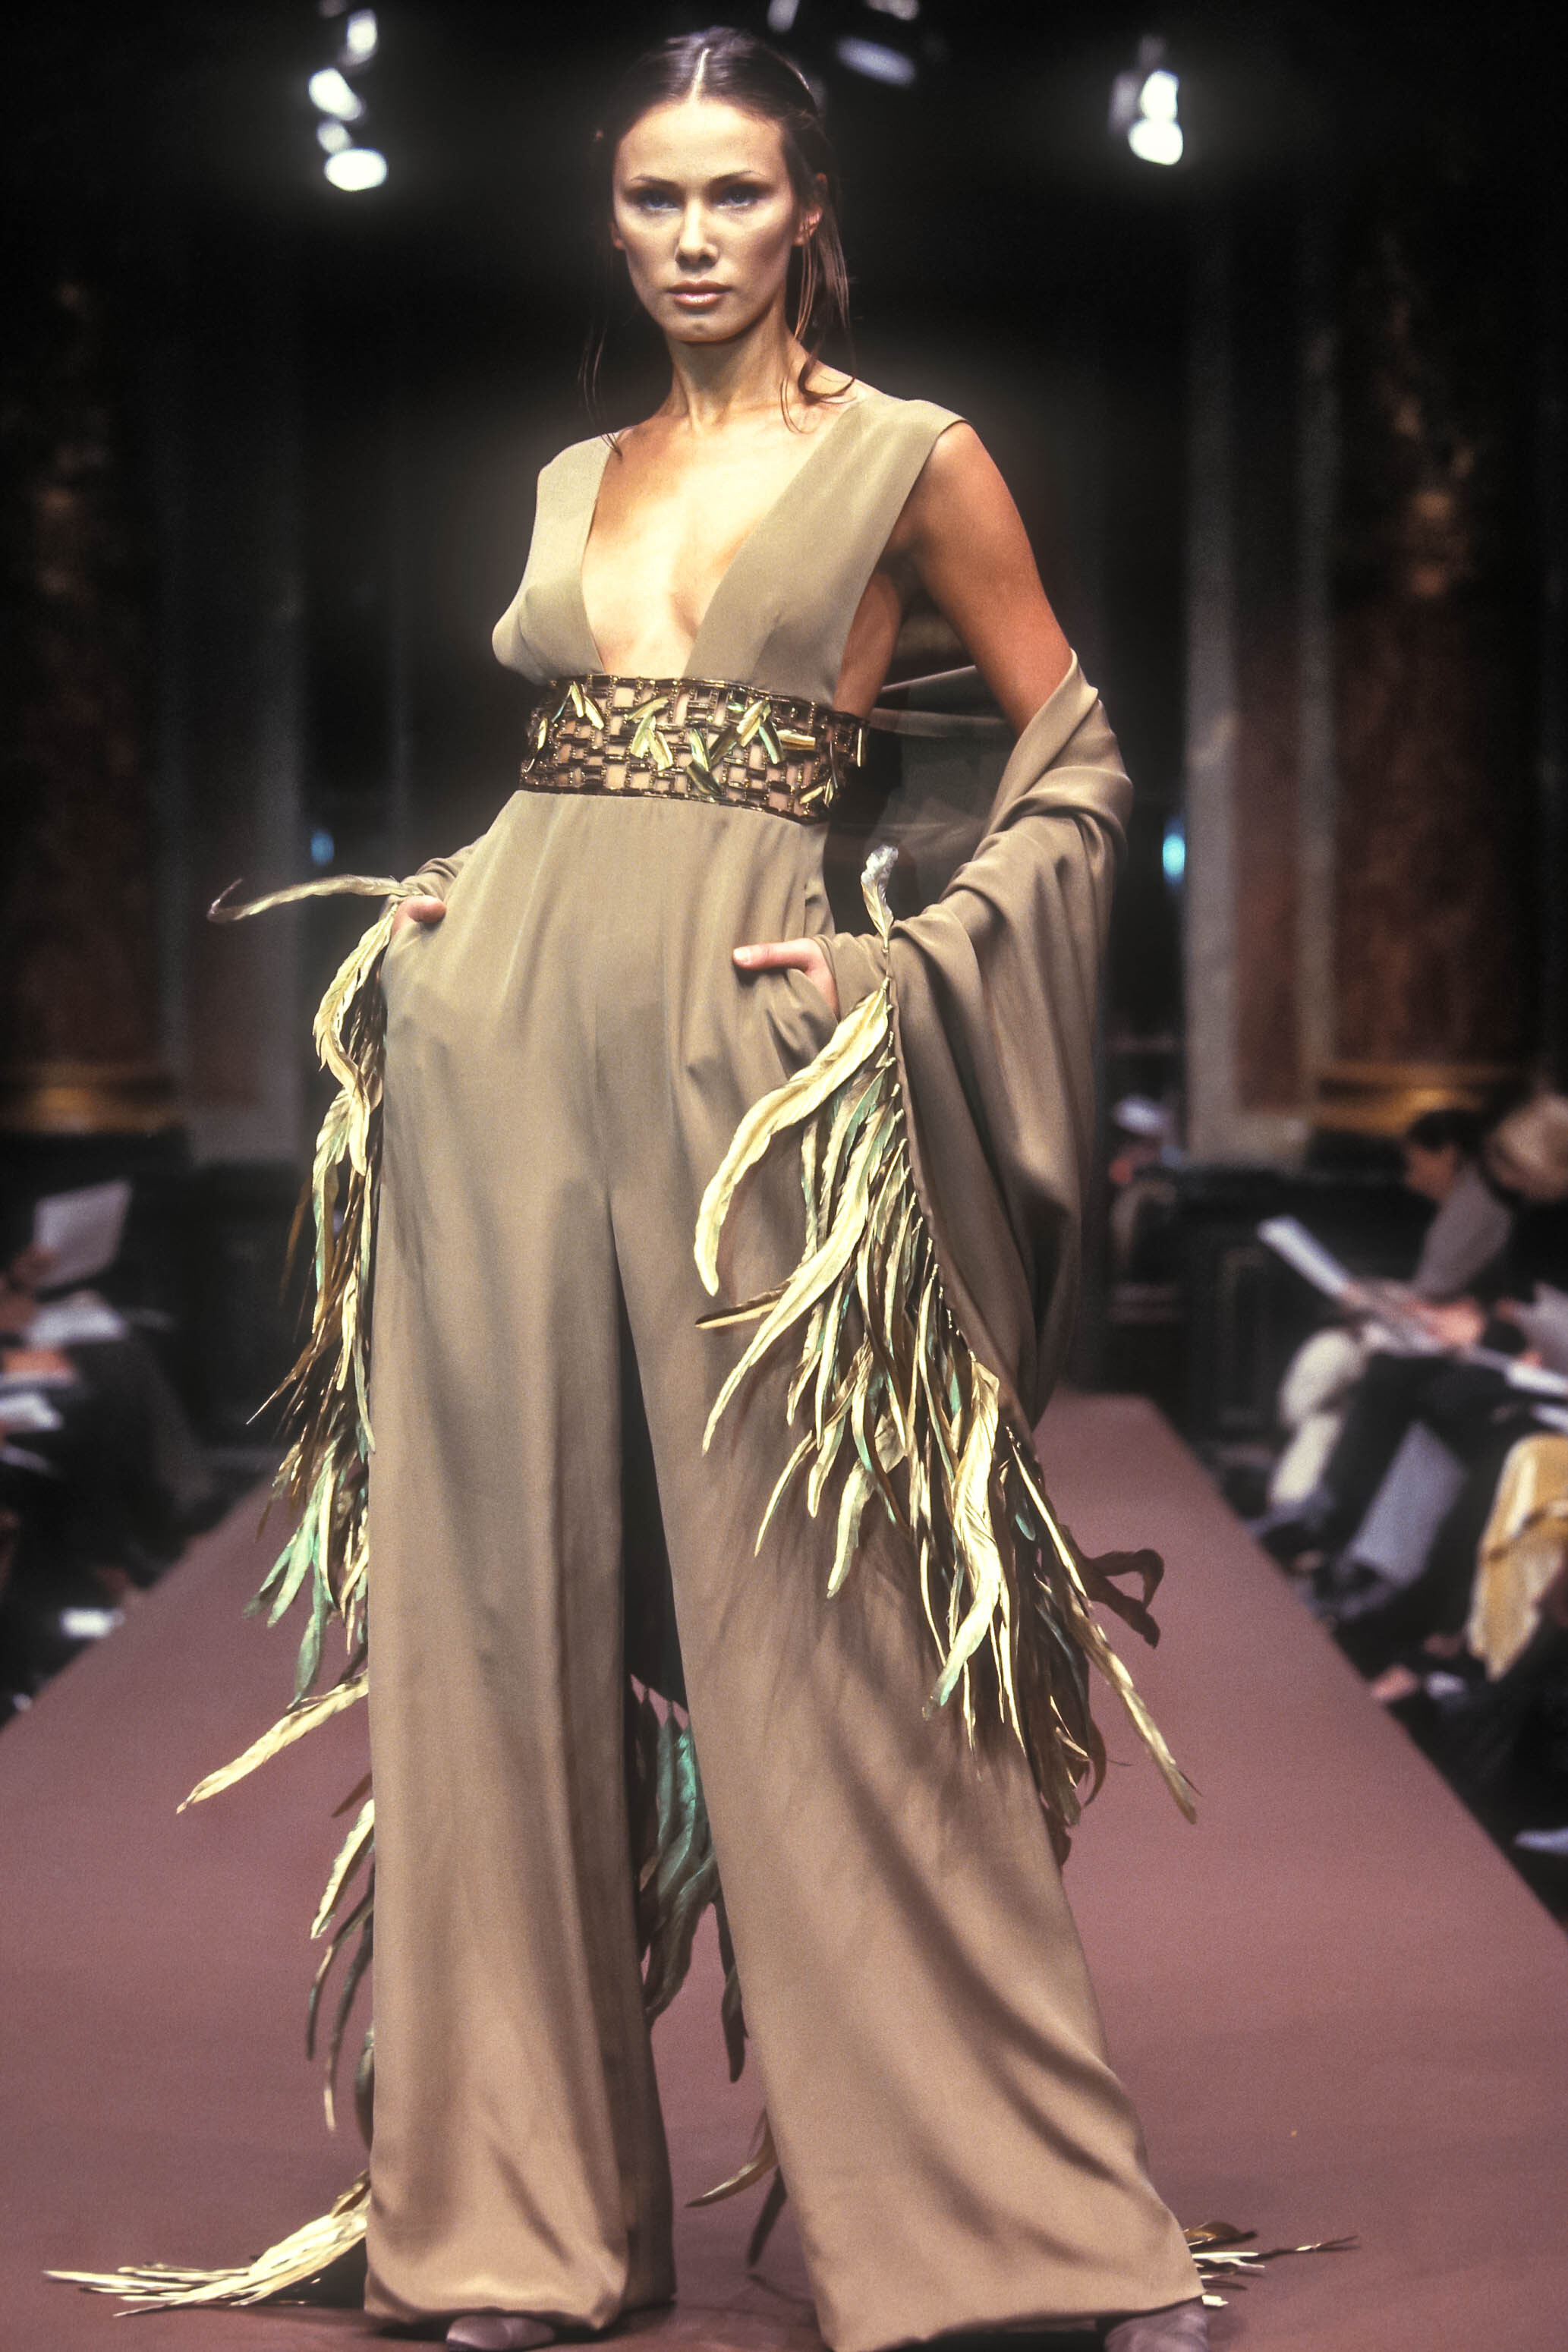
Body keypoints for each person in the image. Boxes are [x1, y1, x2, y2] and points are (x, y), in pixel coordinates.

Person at [64, 30, 1212, 2352]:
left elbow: (1075, 764)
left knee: (833, 1629)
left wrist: (900, 966)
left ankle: (1016, 2236)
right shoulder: (571, 472)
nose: (692, 238)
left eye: (733, 195)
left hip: (741, 1065)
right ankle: (513, 2222)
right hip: (490, 1050)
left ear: (810, 212)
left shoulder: (911, 454)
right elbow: (573, 772)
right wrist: (443, 901)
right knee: (492, 1618)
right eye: (653, 200)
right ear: (614, 223)